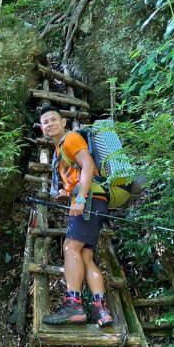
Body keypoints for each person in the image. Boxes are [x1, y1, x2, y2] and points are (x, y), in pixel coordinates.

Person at [39, 105, 113, 327]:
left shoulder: (70, 138)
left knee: (70, 248)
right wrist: (67, 192)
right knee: (86, 257)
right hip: (97, 201)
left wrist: (80, 198)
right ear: (42, 129)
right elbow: (78, 173)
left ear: (64, 122)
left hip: (89, 200)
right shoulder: (60, 149)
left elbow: (88, 165)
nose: (49, 124)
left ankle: (74, 305)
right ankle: (101, 310)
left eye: (53, 120)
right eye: (45, 122)